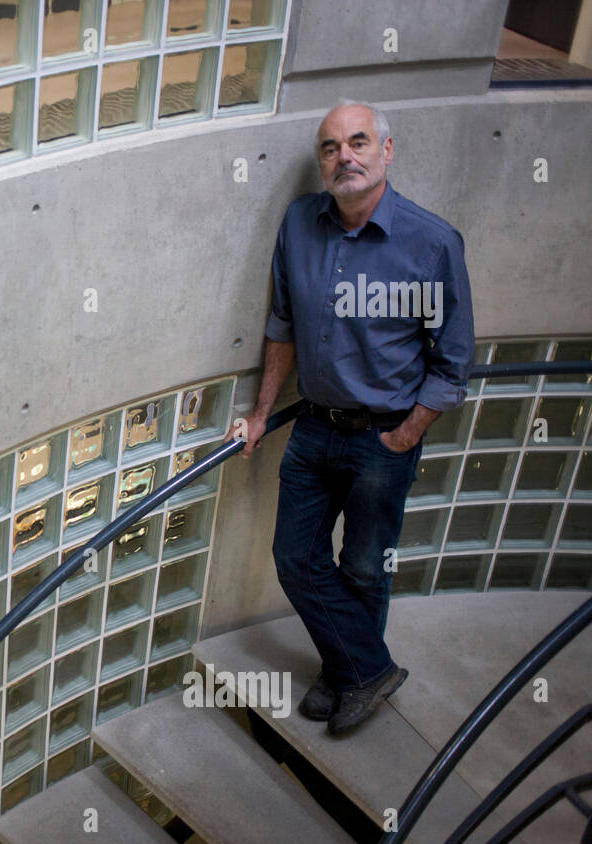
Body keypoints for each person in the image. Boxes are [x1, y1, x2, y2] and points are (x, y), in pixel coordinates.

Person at [227, 100, 475, 736]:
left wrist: (405, 435)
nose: (346, 157)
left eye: (358, 142)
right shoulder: (299, 223)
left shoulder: (431, 242)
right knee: (295, 558)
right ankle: (363, 670)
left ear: (386, 152)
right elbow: (281, 325)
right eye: (331, 148)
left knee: (365, 566)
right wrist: (260, 413)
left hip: (381, 439)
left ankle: (345, 675)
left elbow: (451, 364)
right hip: (313, 427)